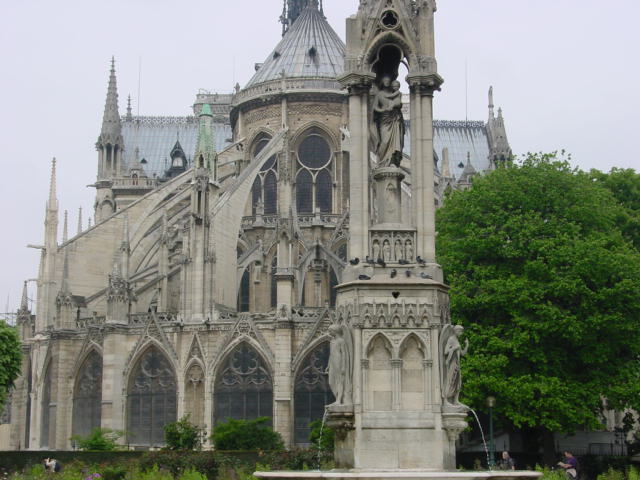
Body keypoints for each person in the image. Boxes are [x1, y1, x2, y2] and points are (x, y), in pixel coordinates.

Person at [372, 76, 405, 168]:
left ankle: (392, 161)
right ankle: (382, 162)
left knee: (395, 141)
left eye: (388, 80)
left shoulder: (395, 93)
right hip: (384, 120)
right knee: (385, 141)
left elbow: (399, 103)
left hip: (394, 119)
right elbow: (375, 107)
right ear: (382, 82)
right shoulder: (380, 94)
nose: (387, 82)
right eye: (385, 80)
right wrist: (382, 110)